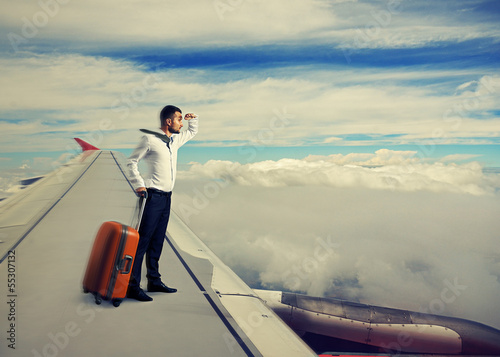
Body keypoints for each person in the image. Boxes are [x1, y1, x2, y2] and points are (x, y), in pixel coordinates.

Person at [126, 105, 199, 301]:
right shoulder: (149, 139)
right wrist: (139, 184)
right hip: (153, 196)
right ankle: (132, 286)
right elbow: (131, 162)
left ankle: (154, 281)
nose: (181, 124)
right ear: (168, 122)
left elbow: (192, 131)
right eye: (179, 120)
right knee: (142, 242)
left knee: (157, 241)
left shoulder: (173, 141)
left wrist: (194, 119)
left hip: (167, 198)